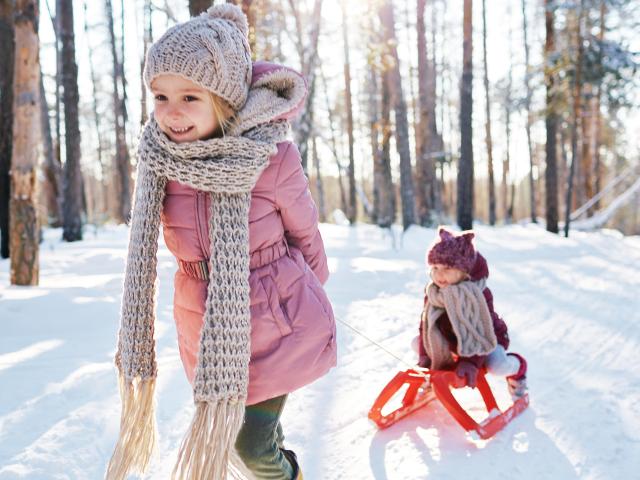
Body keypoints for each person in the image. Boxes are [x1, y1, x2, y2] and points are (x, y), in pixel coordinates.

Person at [106, 5, 336, 480]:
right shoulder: (159, 167)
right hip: (207, 328)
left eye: (190, 97)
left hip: (278, 320)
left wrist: (311, 289)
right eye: (161, 96)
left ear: (226, 99)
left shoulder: (271, 158)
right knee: (231, 440)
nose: (172, 112)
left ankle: (284, 474)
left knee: (249, 448)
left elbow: (305, 231)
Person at [415, 227, 527, 400]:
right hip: (453, 340)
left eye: (447, 268)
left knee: (496, 365)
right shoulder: (434, 293)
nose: (439, 274)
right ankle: (436, 378)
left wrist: (470, 362)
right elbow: (426, 327)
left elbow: (480, 332)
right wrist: (425, 359)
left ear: (463, 271)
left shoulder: (478, 295)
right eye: (435, 267)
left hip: (488, 340)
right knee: (416, 342)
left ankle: (518, 368)